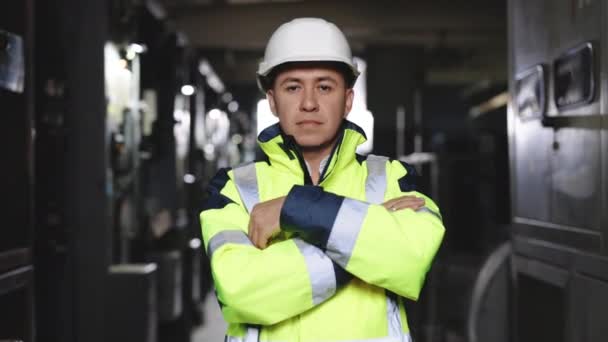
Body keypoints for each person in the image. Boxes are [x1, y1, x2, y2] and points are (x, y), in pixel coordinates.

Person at [200, 17, 445, 342]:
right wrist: (363, 244)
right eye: (293, 87)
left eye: (325, 86)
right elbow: (241, 290)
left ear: (347, 100)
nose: (309, 103)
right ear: (272, 101)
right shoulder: (235, 189)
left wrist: (296, 208)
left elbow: (409, 260)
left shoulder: (394, 178)